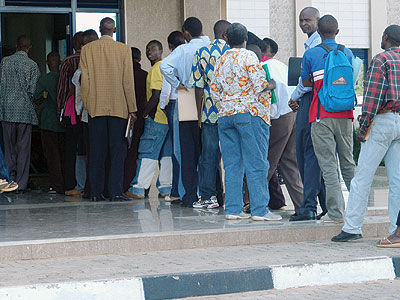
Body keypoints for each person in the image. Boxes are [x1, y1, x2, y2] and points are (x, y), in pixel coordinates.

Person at [332, 25, 400, 242]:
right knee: (397, 182)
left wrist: (363, 128)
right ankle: (394, 230)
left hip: (382, 121)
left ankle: (352, 227)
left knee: (362, 178)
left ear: (387, 37)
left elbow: (372, 98)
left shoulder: (382, 60)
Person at [210, 22, 281, 221]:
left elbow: (214, 90)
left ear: (226, 39)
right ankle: (260, 210)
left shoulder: (221, 59)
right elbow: (260, 84)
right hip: (249, 114)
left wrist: (227, 103)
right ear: (246, 39)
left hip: (225, 115)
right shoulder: (249, 56)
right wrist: (272, 84)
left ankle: (233, 209)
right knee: (257, 162)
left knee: (232, 165)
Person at [301, 15, 355, 223]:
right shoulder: (347, 53)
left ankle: (335, 213)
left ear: (319, 32)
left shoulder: (312, 54)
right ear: (337, 31)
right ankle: (357, 211)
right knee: (348, 163)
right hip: (345, 115)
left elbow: (306, 82)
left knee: (329, 166)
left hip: (321, 114)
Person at [80, 17, 137, 202]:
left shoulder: (87, 49)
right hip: (119, 108)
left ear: (99, 29)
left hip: (96, 108)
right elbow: (127, 81)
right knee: (117, 152)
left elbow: (85, 82)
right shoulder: (124, 50)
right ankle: (115, 192)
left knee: (96, 152)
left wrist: (88, 104)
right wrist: (132, 108)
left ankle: (95, 192)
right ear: (114, 31)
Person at [160, 17, 210, 207]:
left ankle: (188, 192)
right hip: (208, 97)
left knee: (184, 149)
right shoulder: (210, 46)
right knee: (207, 146)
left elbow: (165, 66)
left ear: (186, 33)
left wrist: (177, 84)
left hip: (188, 94)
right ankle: (208, 192)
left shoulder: (183, 49)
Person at [289, 7, 327, 221]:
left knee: (306, 154)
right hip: (326, 106)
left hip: (310, 103)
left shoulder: (314, 47)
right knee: (318, 156)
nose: (304, 23)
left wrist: (293, 98)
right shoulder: (337, 49)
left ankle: (309, 206)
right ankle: (323, 205)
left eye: (308, 20)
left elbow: (306, 82)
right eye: (302, 20)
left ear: (318, 21)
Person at [189, 20, 231, 209]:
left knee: (209, 156)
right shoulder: (234, 53)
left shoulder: (202, 52)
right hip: (232, 112)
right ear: (226, 34)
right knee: (233, 155)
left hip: (209, 113)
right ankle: (232, 198)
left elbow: (197, 87)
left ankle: (208, 197)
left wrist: (199, 115)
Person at [260, 38, 304, 216]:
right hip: (294, 113)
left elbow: (272, 99)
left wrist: (270, 118)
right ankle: (302, 206)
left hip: (279, 117)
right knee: (289, 162)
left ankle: (254, 203)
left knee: (268, 161)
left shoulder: (264, 68)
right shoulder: (281, 65)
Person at [128, 40, 172, 198]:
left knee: (147, 154)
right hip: (167, 120)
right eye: (147, 49)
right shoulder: (167, 67)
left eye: (153, 49)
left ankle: (139, 188)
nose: (149, 52)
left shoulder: (155, 69)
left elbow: (156, 96)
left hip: (156, 119)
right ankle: (166, 188)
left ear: (161, 50)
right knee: (166, 156)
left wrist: (144, 113)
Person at [0, 35, 40, 192]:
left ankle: (9, 180)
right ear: (29, 47)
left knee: (8, 148)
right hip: (24, 112)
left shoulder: (5, 62)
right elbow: (33, 91)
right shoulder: (32, 65)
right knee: (23, 148)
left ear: (17, 46)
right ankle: (21, 184)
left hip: (6, 111)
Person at [72, 29, 99, 199]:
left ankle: (87, 186)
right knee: (91, 151)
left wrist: (78, 109)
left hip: (89, 113)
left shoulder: (86, 62)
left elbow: (78, 85)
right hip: (95, 113)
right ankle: (89, 185)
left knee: (88, 151)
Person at [159, 31, 186, 202]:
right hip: (193, 102)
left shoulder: (172, 58)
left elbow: (166, 89)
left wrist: (163, 106)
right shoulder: (190, 54)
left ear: (169, 45)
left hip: (176, 103)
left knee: (177, 150)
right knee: (188, 148)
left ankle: (176, 191)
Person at [57, 31, 84, 197]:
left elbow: (62, 89)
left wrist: (60, 112)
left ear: (75, 43)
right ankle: (84, 183)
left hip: (71, 110)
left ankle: (70, 184)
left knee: (70, 149)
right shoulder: (93, 61)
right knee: (85, 149)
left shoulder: (68, 61)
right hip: (87, 112)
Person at [34, 51, 65, 194]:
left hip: (47, 121)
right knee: (64, 154)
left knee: (51, 155)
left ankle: (55, 184)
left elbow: (37, 100)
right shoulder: (65, 79)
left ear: (47, 63)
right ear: (60, 62)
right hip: (64, 122)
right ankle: (67, 183)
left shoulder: (43, 80)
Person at [123, 47, 148, 194]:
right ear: (139, 59)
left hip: (125, 118)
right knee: (139, 153)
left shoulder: (124, 76)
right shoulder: (145, 75)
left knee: (126, 152)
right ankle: (138, 186)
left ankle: (124, 184)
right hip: (141, 118)